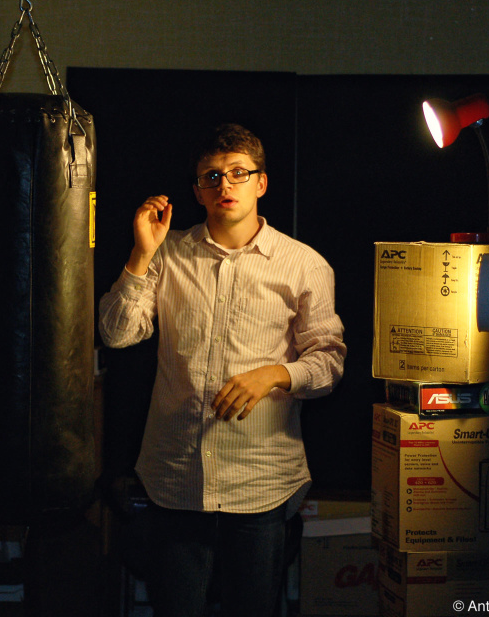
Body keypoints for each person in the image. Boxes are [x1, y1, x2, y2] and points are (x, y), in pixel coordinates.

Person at [99, 123, 346, 616]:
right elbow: (117, 333)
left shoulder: (303, 265)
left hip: (260, 479)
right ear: (196, 190)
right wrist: (142, 252)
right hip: (176, 477)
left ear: (261, 182)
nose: (224, 186)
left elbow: (329, 362)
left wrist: (275, 374)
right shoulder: (168, 256)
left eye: (237, 173)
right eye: (211, 177)